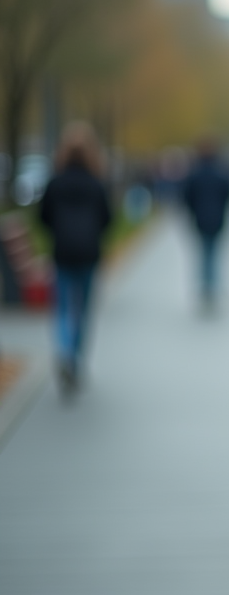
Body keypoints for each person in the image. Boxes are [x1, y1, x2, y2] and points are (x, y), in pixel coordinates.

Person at [38, 121, 112, 393]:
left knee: (63, 307)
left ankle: (65, 350)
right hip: (89, 252)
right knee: (84, 308)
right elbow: (107, 218)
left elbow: (43, 217)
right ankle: (76, 357)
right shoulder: (96, 184)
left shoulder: (55, 183)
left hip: (63, 252)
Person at [181, 139, 229, 309]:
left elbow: (187, 197)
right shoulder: (221, 173)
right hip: (218, 219)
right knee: (214, 252)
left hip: (200, 219)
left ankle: (207, 286)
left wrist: (194, 211)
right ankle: (212, 285)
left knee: (204, 252)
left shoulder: (194, 174)